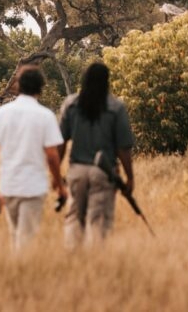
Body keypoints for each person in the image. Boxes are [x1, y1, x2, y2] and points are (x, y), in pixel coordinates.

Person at [0, 67, 66, 251]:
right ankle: (22, 275)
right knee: (26, 239)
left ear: (18, 85)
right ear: (40, 88)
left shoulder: (2, 113)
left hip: (8, 186)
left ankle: (16, 274)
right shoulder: (46, 116)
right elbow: (52, 156)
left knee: (16, 236)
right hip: (33, 187)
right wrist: (60, 185)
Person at [58, 62, 135, 248]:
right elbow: (123, 148)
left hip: (76, 170)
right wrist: (130, 177)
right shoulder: (116, 107)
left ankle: (72, 259)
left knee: (74, 217)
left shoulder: (71, 104)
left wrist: (56, 173)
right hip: (103, 172)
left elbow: (60, 142)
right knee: (98, 220)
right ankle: (95, 261)